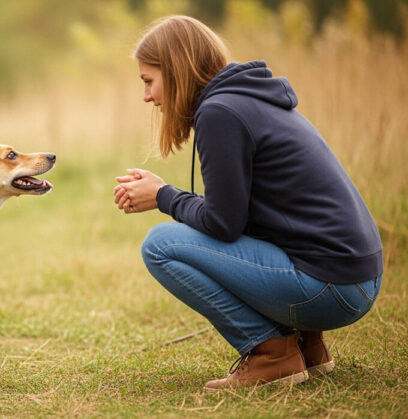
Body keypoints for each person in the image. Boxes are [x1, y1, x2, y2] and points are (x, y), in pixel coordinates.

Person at [113, 15, 383, 391]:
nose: (147, 97)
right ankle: (308, 346)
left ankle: (273, 355)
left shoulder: (220, 113)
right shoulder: (249, 100)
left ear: (175, 71)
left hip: (331, 289)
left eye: (148, 81)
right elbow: (243, 215)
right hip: (358, 281)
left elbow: (224, 224)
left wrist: (163, 196)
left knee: (160, 246)